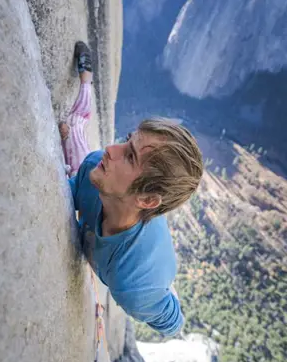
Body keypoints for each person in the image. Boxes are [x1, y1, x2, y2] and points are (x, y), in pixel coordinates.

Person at [59, 41, 203, 337]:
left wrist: (165, 293)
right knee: (75, 136)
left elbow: (173, 325)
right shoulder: (95, 168)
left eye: (130, 156)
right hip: (129, 225)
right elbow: (69, 189)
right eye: (127, 140)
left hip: (153, 275)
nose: (111, 149)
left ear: (149, 199)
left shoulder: (136, 287)